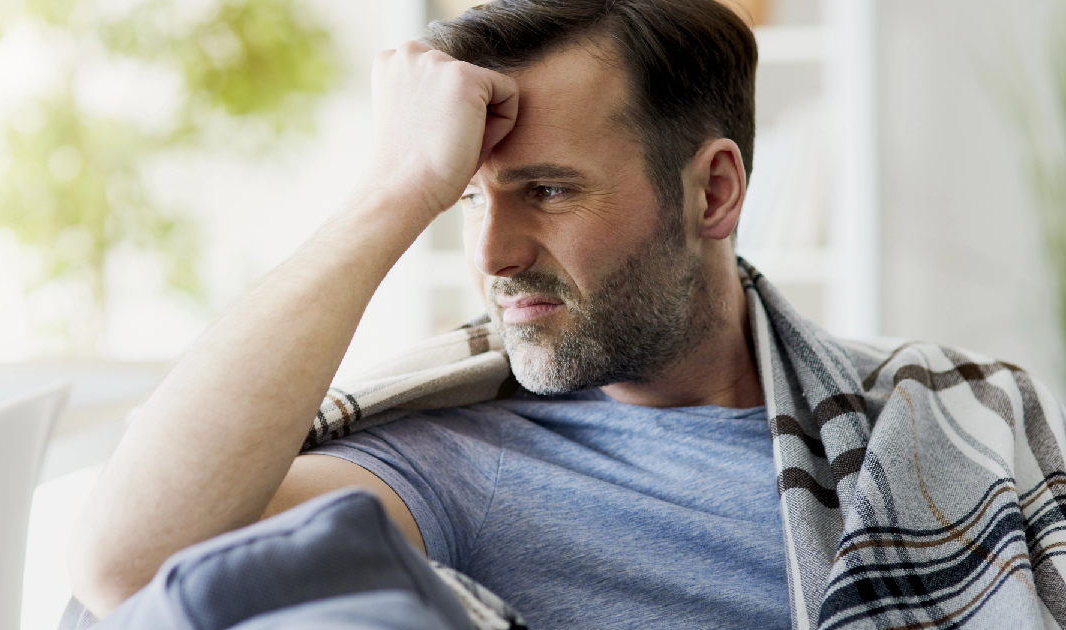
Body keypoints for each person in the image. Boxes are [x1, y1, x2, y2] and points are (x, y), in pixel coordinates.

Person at [67, 1, 1066, 629]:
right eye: (466, 199)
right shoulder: (451, 463)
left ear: (713, 194)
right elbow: (131, 570)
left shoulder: (947, 415)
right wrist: (393, 189)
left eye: (546, 192)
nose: (493, 256)